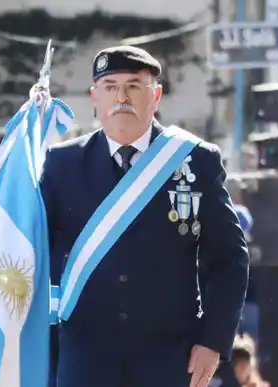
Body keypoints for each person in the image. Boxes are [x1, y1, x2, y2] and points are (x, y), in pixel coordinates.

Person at [42, 46, 249, 387]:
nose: (121, 97)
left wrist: (213, 341)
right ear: (95, 97)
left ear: (156, 96)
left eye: (134, 86)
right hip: (86, 351)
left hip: (168, 353)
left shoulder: (195, 160)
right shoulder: (62, 164)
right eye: (110, 86)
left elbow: (229, 259)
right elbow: (38, 250)